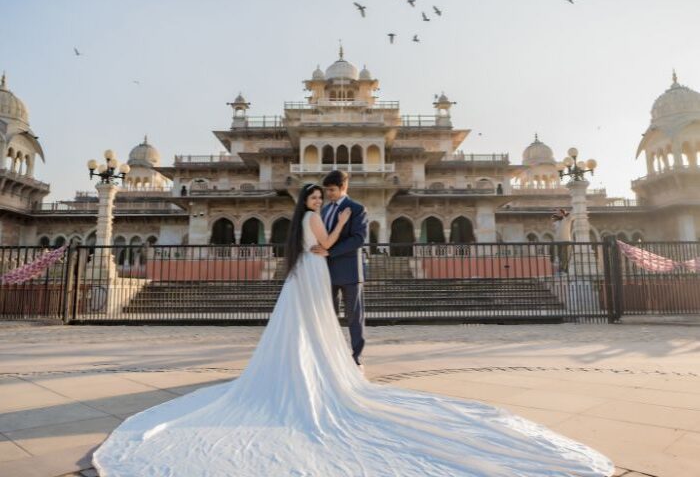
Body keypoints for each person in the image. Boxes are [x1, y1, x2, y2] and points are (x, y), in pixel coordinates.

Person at [92, 184, 614, 476]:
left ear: (338, 192)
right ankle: (329, 365)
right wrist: (333, 227)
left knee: (334, 321)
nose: (324, 198)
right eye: (318, 196)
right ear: (313, 199)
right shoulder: (318, 218)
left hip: (321, 271)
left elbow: (340, 237)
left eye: (329, 193)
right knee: (318, 323)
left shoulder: (343, 210)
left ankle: (339, 358)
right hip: (316, 268)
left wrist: (338, 229)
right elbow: (322, 242)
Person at [311, 169, 368, 367]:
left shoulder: (357, 208)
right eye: (327, 190)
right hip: (326, 271)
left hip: (350, 271)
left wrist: (330, 253)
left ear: (344, 187)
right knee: (329, 315)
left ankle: (356, 357)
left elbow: (358, 239)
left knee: (353, 316)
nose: (328, 194)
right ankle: (331, 355)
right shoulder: (325, 210)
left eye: (332, 190)